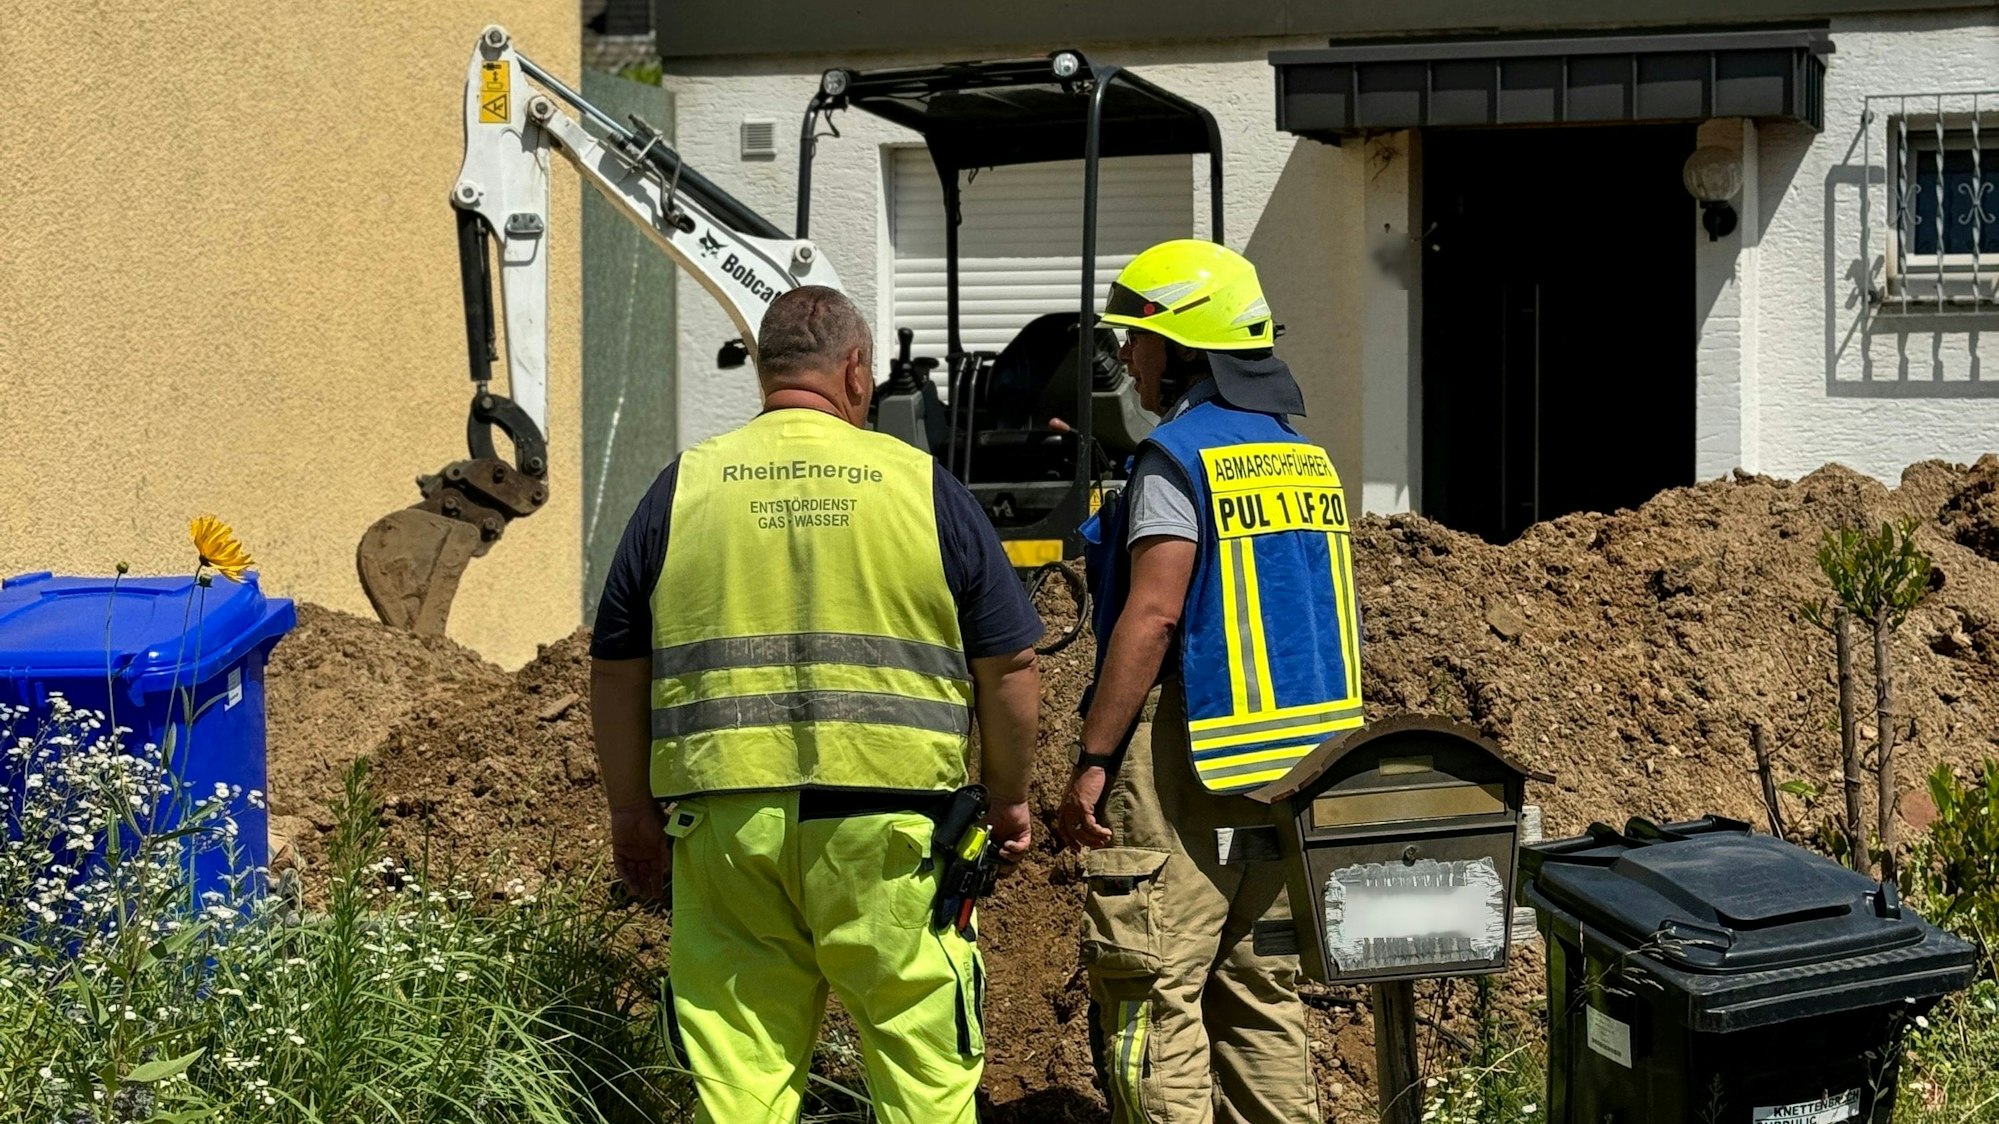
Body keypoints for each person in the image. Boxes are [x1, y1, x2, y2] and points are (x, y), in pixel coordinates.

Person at [589, 285, 1044, 1124]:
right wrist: (1010, 795)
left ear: (764, 371)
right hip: (893, 832)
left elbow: (617, 670)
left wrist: (631, 814)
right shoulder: (922, 485)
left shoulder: (683, 487)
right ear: (857, 370)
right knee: (922, 1067)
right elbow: (1011, 665)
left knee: (740, 1074)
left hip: (726, 824)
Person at [1055, 241, 1363, 1124]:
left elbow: (1150, 618)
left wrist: (1092, 760)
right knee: (1258, 986)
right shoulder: (1305, 460)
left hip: (1191, 751)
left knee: (1152, 985)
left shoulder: (1176, 458)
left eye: (1136, 340)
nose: (1125, 358)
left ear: (1184, 345)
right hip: (1299, 765)